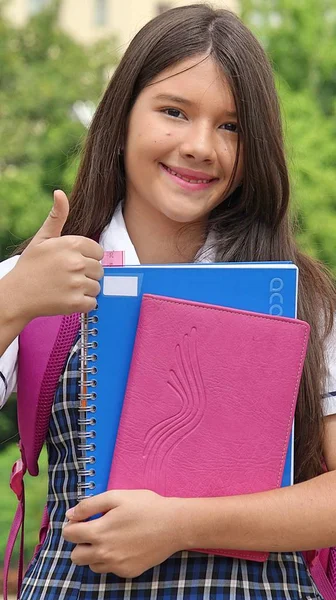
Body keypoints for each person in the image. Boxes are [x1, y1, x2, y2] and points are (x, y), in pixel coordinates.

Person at [1, 4, 336, 599]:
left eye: (231, 126)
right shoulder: (31, 282)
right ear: (123, 116)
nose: (201, 145)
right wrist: (13, 303)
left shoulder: (301, 299)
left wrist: (181, 525)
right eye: (174, 112)